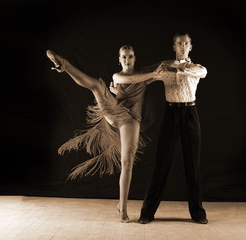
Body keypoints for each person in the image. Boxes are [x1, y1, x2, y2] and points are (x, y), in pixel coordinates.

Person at [46, 45, 162, 223]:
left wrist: (180, 64)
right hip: (115, 113)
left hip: (130, 121)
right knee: (97, 86)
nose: (127, 60)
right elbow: (132, 79)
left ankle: (121, 207)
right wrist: (154, 75)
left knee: (127, 162)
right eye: (123, 57)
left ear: (134, 58)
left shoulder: (142, 75)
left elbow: (158, 68)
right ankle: (64, 65)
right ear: (119, 59)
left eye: (130, 57)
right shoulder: (118, 76)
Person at [137, 32, 209, 224]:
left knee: (192, 165)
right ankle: (147, 212)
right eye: (179, 43)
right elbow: (144, 77)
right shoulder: (164, 66)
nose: (183, 46)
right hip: (171, 114)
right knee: (161, 163)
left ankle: (198, 213)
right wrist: (120, 84)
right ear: (174, 46)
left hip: (190, 114)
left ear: (190, 47)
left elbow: (202, 72)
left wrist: (178, 68)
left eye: (186, 43)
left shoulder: (196, 67)